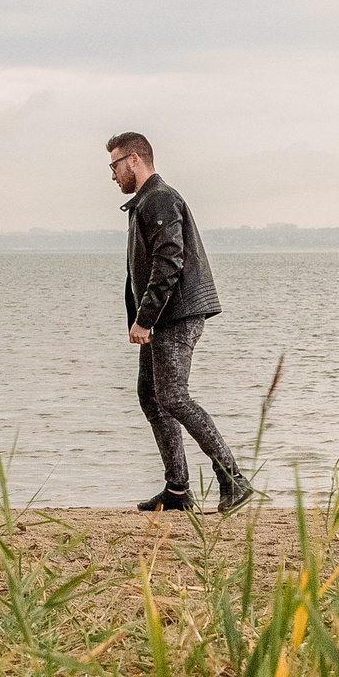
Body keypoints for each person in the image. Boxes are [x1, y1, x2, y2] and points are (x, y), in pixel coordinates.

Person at [109, 132, 252, 513]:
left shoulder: (159, 198)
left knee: (172, 396)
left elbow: (169, 261)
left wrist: (145, 319)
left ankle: (232, 479)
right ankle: (177, 490)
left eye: (115, 165)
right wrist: (143, 319)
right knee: (150, 395)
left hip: (176, 314)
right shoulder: (146, 202)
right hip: (162, 317)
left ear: (134, 160)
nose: (112, 175)